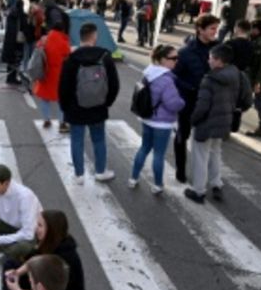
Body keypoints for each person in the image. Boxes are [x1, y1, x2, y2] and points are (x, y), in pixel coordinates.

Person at [184, 45, 251, 204]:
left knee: (200, 156)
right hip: (224, 122)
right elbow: (248, 100)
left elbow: (202, 107)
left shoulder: (210, 79)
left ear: (219, 61)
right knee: (215, 153)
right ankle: (216, 184)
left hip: (206, 124)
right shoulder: (238, 74)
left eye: (211, 58)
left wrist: (191, 121)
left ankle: (198, 191)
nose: (208, 60)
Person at [58, 23, 120, 184]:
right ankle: (100, 171)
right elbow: (114, 84)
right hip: (98, 107)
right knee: (98, 139)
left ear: (80, 37)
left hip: (75, 107)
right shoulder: (105, 56)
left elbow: (63, 86)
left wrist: (65, 107)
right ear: (94, 36)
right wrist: (107, 102)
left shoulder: (71, 58)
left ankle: (79, 175)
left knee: (77, 140)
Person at [0, 210, 85, 290]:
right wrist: (17, 273)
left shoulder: (62, 258)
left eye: (40, 225)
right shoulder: (52, 242)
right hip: (45, 286)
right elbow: (34, 260)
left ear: (51, 230)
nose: (36, 228)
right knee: (10, 264)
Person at [129, 45, 186, 194]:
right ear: (162, 59)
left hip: (147, 119)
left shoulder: (148, 73)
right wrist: (183, 102)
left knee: (144, 148)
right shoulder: (166, 80)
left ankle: (133, 178)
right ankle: (158, 185)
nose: (176, 61)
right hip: (162, 123)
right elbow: (173, 104)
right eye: (173, 58)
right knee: (159, 155)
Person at [172, 14, 220, 183]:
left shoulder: (218, 50)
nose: (216, 32)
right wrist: (190, 87)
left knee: (207, 141)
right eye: (212, 28)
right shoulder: (185, 52)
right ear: (200, 29)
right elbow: (174, 76)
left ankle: (206, 177)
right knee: (182, 136)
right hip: (188, 102)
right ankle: (180, 169)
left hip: (209, 103)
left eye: (216, 28)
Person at [32, 20, 71, 132]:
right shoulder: (63, 41)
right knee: (61, 99)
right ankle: (62, 122)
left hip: (45, 72)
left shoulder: (45, 39)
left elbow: (38, 48)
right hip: (59, 74)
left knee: (45, 98)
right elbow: (67, 55)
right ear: (62, 30)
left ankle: (46, 120)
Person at [2, 0, 28, 85]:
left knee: (10, 60)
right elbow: (25, 28)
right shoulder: (22, 15)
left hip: (9, 40)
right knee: (16, 60)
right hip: (18, 41)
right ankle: (13, 77)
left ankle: (9, 77)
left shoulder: (10, 14)